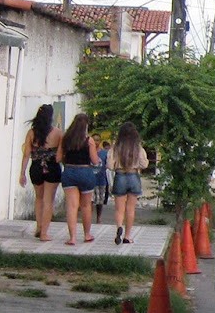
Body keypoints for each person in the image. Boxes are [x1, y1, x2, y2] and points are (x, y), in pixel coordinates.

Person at [56, 113, 104, 246]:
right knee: (86, 205)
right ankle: (87, 234)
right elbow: (94, 160)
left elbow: (58, 158)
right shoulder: (89, 140)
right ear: (86, 125)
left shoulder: (65, 139)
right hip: (85, 172)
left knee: (72, 206)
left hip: (69, 172)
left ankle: (72, 238)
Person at [18, 104, 62, 240]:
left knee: (39, 198)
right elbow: (60, 156)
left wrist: (22, 173)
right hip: (52, 168)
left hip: (36, 167)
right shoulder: (58, 133)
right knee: (48, 200)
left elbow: (26, 154)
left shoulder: (31, 133)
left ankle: (38, 227)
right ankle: (44, 233)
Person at [109, 121, 149, 246]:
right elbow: (144, 164)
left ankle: (119, 227)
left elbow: (109, 165)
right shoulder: (138, 148)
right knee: (130, 209)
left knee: (119, 209)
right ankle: (127, 236)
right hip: (133, 176)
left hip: (120, 176)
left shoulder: (115, 147)